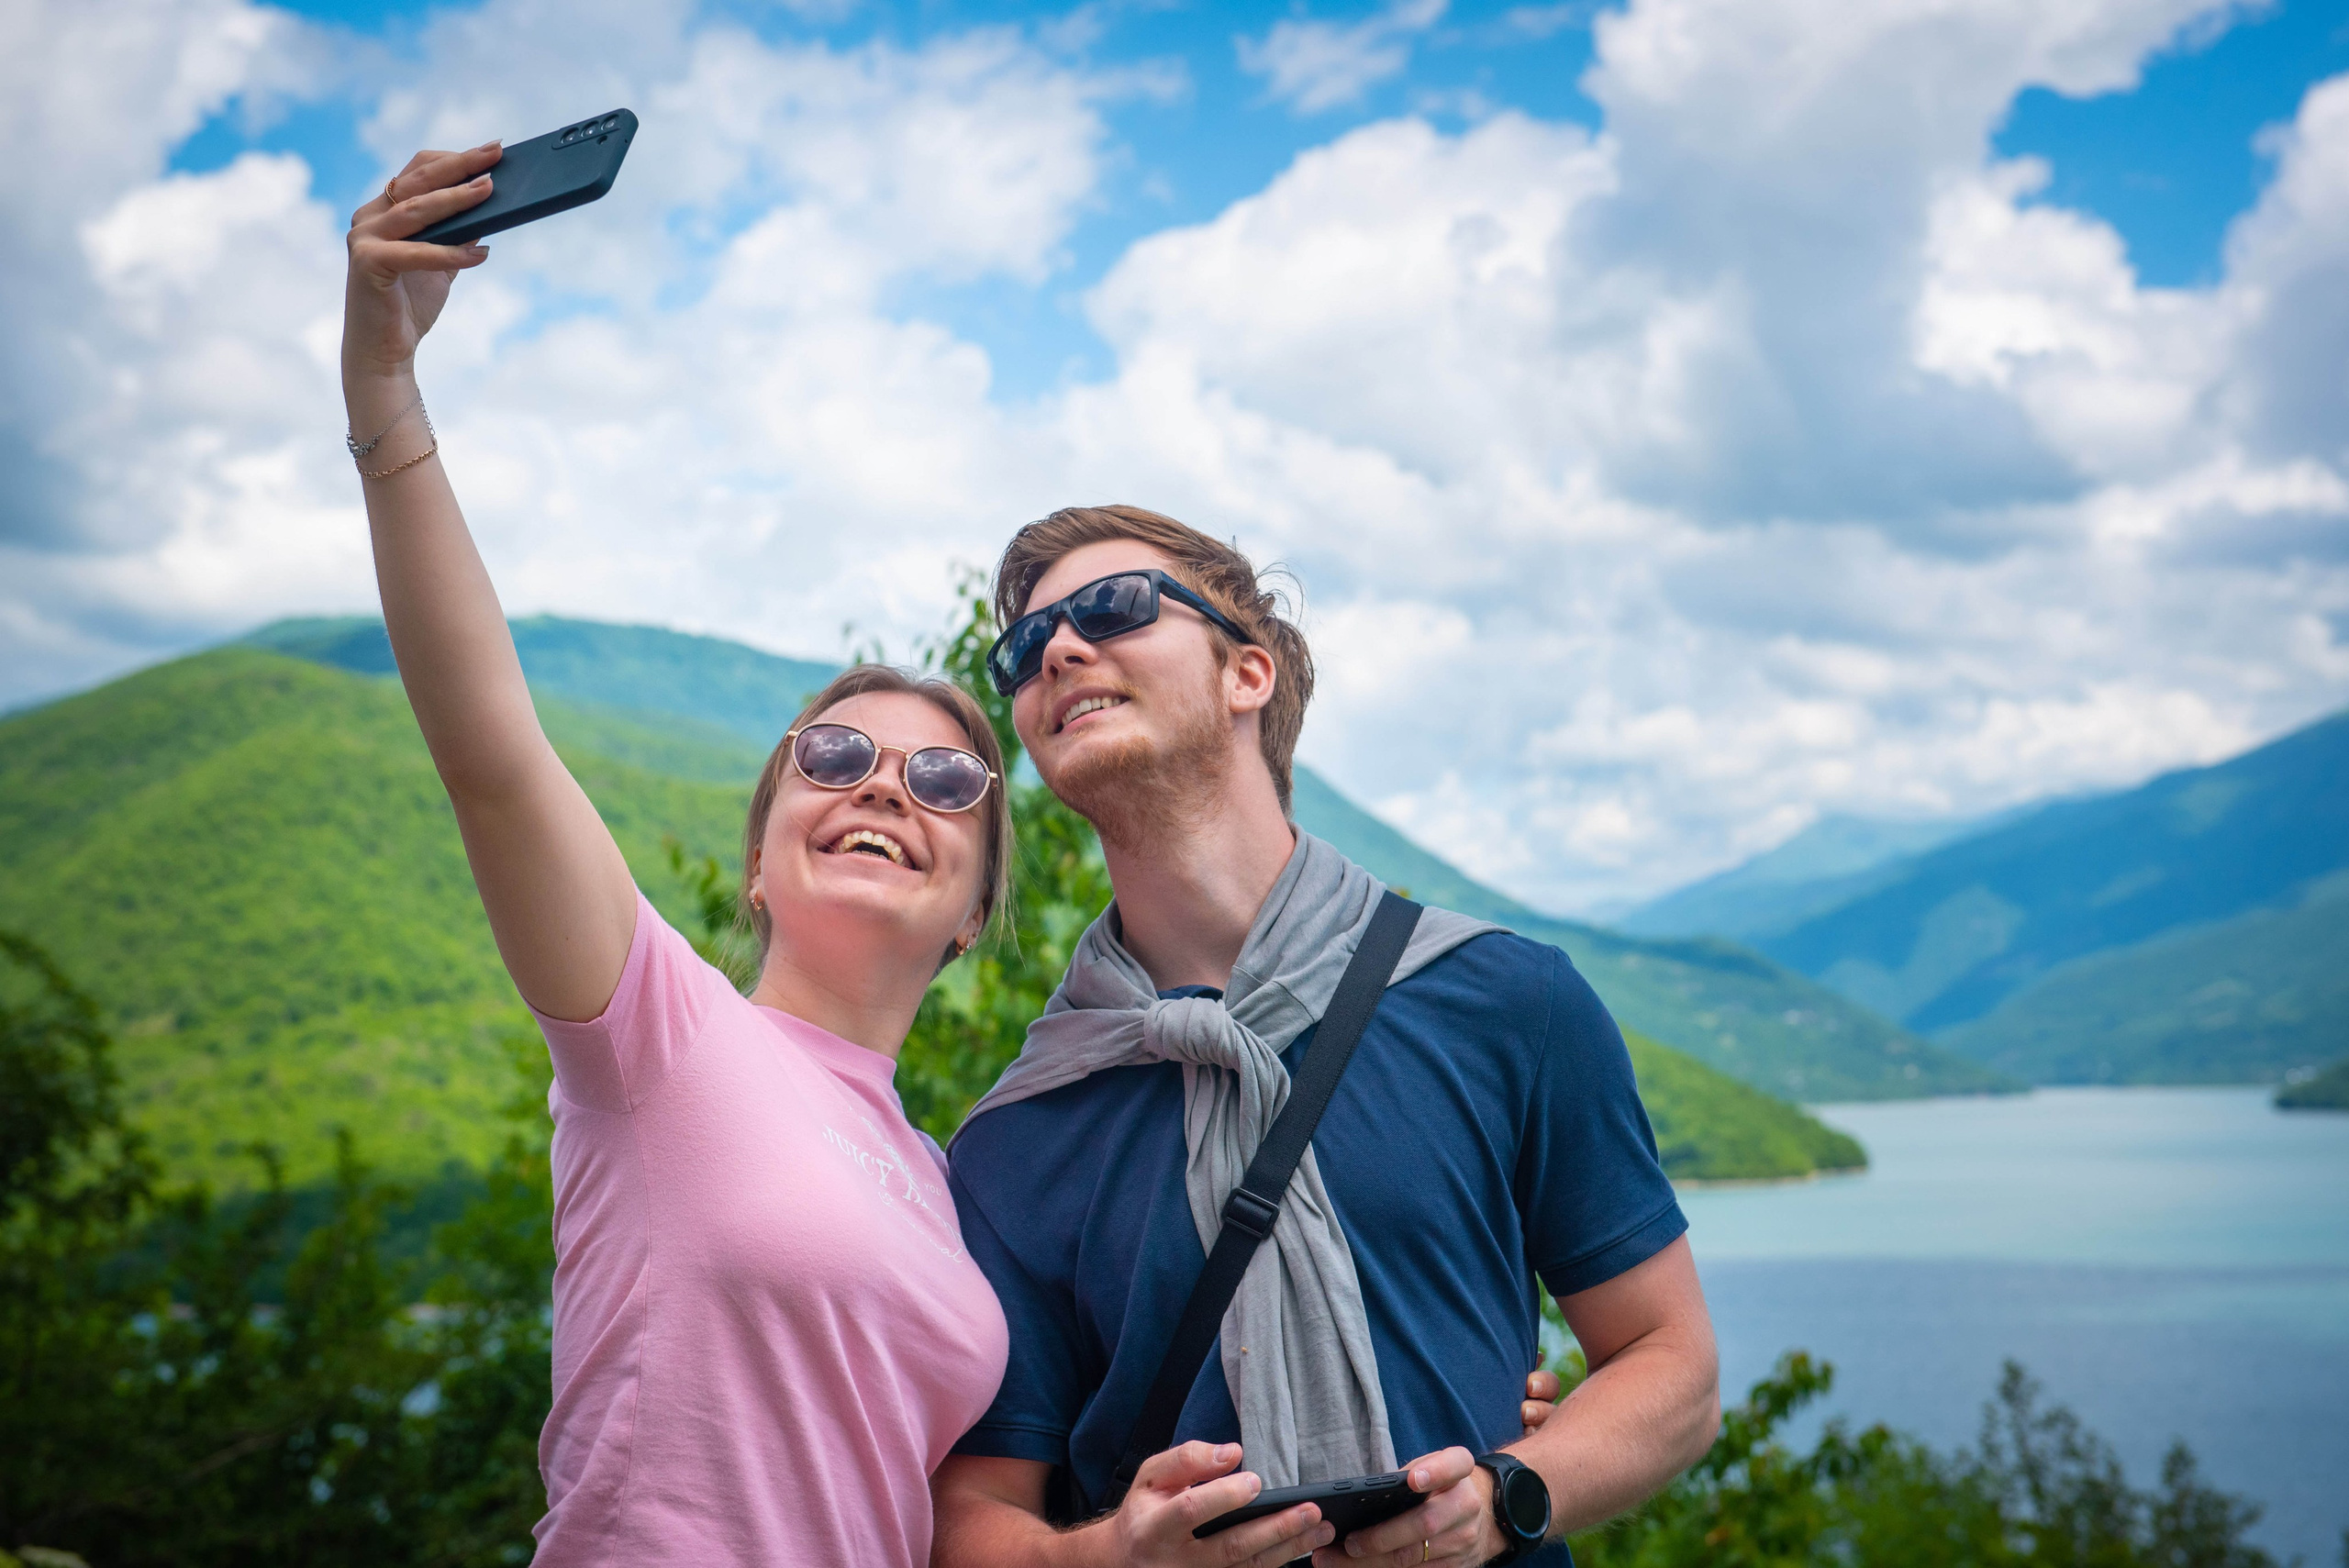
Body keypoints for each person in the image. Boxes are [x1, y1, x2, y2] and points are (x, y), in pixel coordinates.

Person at [340, 144, 1019, 1565]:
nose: (883, 784)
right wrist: (385, 396)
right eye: (832, 757)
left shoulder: (942, 1178)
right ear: (759, 864)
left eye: (947, 778)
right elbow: (492, 747)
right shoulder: (660, 1036)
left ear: (973, 913)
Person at [931, 507, 1723, 1568]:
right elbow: (969, 1518)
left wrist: (1506, 1496)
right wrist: (1115, 1553)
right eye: (1024, 648)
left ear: (1246, 673)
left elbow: (1673, 1363)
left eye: (1111, 608)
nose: (1059, 649)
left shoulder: (1505, 1002)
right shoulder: (1015, 1136)